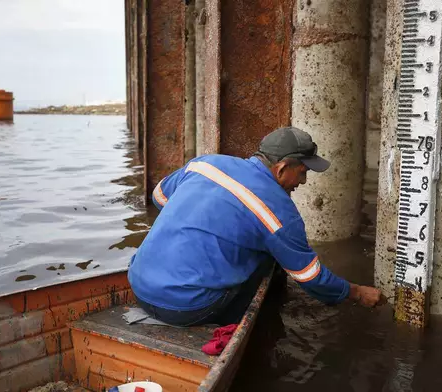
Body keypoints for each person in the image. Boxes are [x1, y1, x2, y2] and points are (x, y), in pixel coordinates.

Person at [128, 126, 382, 327]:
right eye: (303, 172)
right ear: (282, 168)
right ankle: (241, 323)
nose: (303, 182)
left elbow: (159, 197)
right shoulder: (281, 215)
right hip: (188, 309)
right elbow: (310, 277)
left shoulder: (205, 164)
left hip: (138, 285)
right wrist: (356, 292)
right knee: (269, 258)